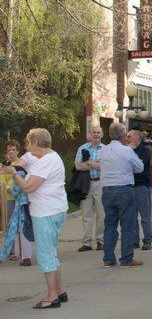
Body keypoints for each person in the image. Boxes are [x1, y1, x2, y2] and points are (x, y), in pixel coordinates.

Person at [3, 128, 68, 308]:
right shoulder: (48, 157)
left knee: (46, 254)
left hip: (46, 211)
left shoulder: (46, 161)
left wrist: (14, 173)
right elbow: (24, 162)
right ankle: (60, 290)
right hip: (54, 208)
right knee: (51, 252)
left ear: (37, 143)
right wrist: (15, 165)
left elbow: (29, 187)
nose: (27, 146)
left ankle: (51, 296)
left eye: (28, 142)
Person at [100, 122, 144, 268]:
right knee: (128, 225)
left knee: (109, 225)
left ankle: (108, 258)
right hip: (124, 189)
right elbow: (140, 167)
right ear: (123, 136)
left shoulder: (104, 150)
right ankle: (126, 258)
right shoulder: (127, 151)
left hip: (107, 190)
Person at [3, 140, 34, 266]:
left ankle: (24, 253)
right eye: (9, 150)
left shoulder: (23, 163)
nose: (11, 152)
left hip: (23, 198)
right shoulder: (4, 165)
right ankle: (11, 252)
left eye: (13, 149)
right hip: (10, 198)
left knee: (23, 225)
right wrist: (8, 189)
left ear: (17, 151)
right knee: (10, 225)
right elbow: (2, 181)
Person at [74, 126, 104, 252]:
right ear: (90, 134)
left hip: (100, 184)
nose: (96, 134)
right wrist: (96, 164)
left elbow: (105, 166)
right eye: (94, 132)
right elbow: (77, 166)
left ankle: (100, 240)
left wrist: (88, 163)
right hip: (86, 184)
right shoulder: (83, 148)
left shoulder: (106, 149)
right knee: (86, 215)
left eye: (98, 132)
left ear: (102, 135)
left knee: (101, 214)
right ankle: (87, 243)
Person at [127, 130, 152, 251]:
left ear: (137, 138)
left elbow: (140, 168)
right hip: (129, 186)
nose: (127, 139)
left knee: (145, 216)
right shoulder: (126, 150)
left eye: (129, 136)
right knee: (132, 217)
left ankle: (147, 240)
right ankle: (134, 240)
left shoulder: (144, 151)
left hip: (142, 187)